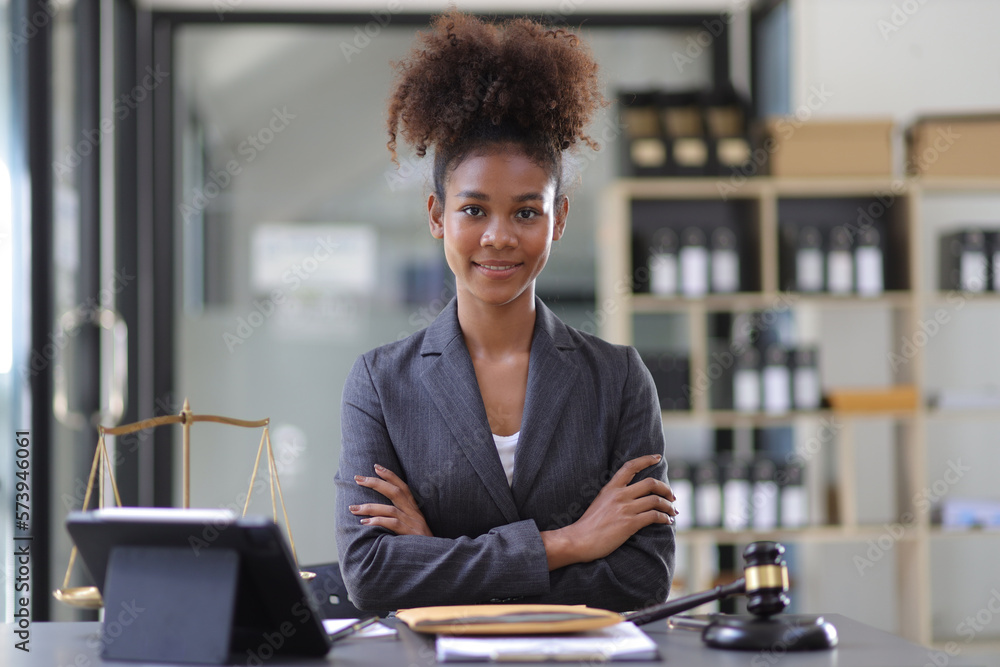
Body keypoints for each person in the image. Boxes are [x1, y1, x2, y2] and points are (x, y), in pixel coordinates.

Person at [334, 10, 676, 613]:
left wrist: (437, 553)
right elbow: (372, 574)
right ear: (437, 215)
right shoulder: (381, 382)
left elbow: (641, 579)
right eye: (473, 211)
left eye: (525, 212)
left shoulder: (618, 379)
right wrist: (569, 542)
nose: (498, 237)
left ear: (559, 219)